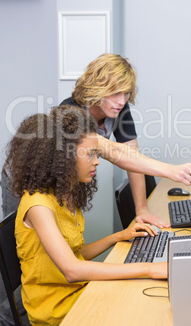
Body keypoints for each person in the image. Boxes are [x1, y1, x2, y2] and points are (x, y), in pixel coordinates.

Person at [7, 105, 166, 326]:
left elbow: (75, 254)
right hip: (55, 310)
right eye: (90, 154)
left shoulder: (64, 193)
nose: (97, 161)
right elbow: (72, 270)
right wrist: (149, 268)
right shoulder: (38, 206)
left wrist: (118, 237)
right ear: (63, 157)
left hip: (76, 292)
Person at [61, 53, 191, 228]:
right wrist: (170, 170)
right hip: (55, 189)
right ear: (96, 88)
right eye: (115, 93)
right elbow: (113, 151)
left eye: (126, 93)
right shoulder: (70, 113)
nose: (122, 101)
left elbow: (131, 154)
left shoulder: (117, 108)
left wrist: (142, 210)